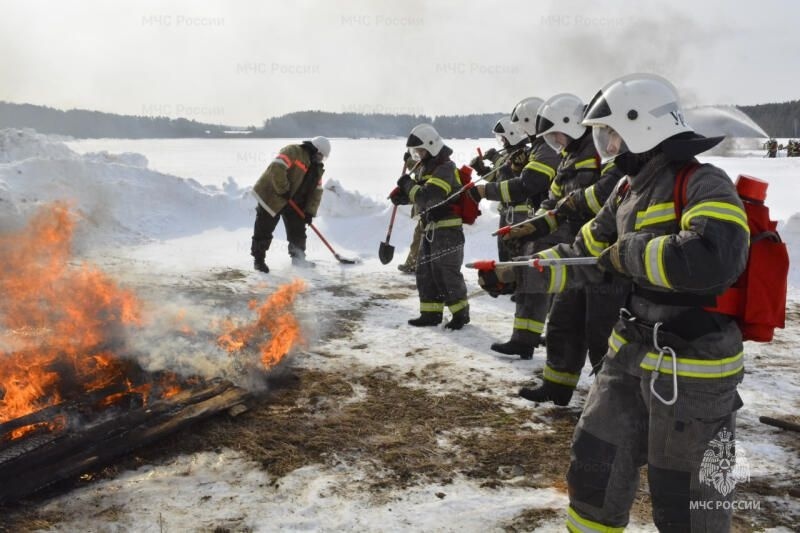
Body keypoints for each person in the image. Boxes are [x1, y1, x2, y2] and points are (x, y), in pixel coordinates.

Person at [492, 74, 749, 531]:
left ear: (642, 127)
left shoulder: (704, 183)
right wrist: (518, 273)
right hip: (628, 354)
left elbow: (716, 257)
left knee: (686, 498)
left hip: (691, 369)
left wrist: (630, 254)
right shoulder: (626, 191)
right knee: (595, 466)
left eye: (609, 133)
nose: (606, 145)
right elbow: (585, 251)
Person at [502, 93, 629, 406]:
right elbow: (553, 200)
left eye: (556, 135)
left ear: (571, 125)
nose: (555, 143)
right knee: (563, 320)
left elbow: (608, 194)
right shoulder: (568, 158)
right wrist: (534, 224)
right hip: (576, 249)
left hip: (604, 256)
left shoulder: (602, 151)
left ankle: (609, 402)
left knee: (601, 331)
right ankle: (557, 385)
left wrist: (569, 206)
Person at [470, 97, 561, 358]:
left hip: (549, 226)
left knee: (537, 282)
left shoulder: (546, 150)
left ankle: (527, 340)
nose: (521, 133)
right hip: (544, 222)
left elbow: (526, 185)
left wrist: (485, 190)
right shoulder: (541, 148)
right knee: (538, 282)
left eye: (523, 126)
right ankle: (526, 339)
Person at [390, 124, 470, 329]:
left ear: (432, 147)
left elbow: (429, 196)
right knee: (425, 272)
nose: (418, 155)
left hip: (447, 230)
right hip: (430, 229)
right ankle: (430, 313)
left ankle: (461, 314)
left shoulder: (445, 168)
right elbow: (421, 195)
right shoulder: (427, 166)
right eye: (415, 152)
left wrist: (408, 186)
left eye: (421, 151)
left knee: (446, 273)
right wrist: (404, 197)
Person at [250, 137, 330, 273]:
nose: (321, 159)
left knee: (298, 231)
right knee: (264, 229)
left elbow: (317, 192)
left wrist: (310, 212)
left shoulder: (317, 169)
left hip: (294, 202)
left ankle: (298, 259)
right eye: (320, 155)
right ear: (314, 149)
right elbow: (277, 168)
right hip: (273, 195)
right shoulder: (293, 151)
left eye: (323, 157)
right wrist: (283, 189)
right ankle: (259, 260)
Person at [470, 117, 530, 262]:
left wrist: (496, 158)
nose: (502, 142)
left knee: (517, 255)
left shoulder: (525, 153)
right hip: (506, 212)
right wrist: (482, 170)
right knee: (504, 254)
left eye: (503, 139)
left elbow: (515, 175)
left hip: (520, 213)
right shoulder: (506, 155)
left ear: (512, 136)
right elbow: (500, 182)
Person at [397, 151, 423, 274]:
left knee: (420, 237)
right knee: (418, 236)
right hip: (426, 211)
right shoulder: (432, 162)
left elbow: (419, 169)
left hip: (430, 210)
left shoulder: (433, 165)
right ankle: (412, 263)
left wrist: (408, 161)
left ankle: (414, 264)